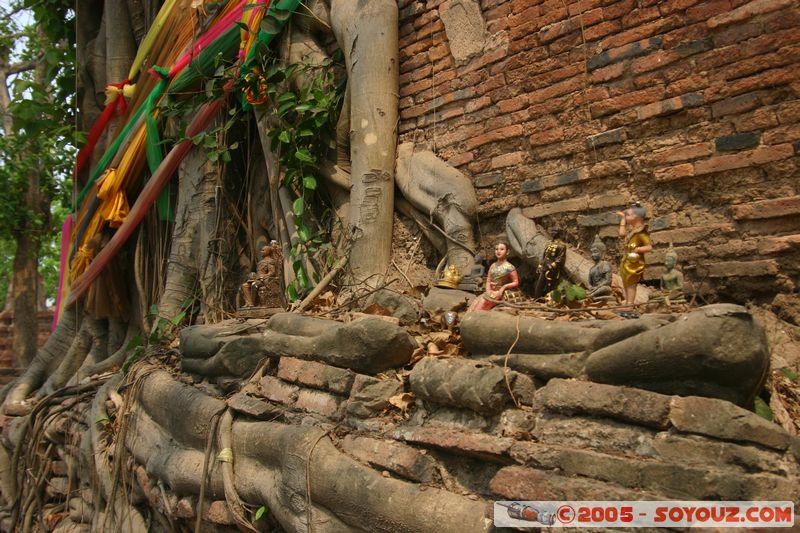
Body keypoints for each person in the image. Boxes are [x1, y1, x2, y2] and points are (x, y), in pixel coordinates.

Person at [615, 203, 652, 310]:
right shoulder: (632, 231)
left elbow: (649, 247)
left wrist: (638, 249)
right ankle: (627, 303)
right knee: (626, 281)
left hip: (635, 263)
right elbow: (622, 234)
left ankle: (630, 304)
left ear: (636, 217)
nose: (626, 217)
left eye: (628, 215)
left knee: (631, 283)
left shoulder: (641, 233)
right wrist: (622, 220)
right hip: (627, 261)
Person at [467, 242, 520, 312]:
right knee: (475, 303)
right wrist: (488, 290)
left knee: (482, 304)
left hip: (499, 293)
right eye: (496, 249)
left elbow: (516, 282)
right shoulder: (493, 265)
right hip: (490, 292)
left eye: (502, 249)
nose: (498, 251)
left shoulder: (509, 267)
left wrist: (504, 287)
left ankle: (476, 318)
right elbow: (488, 280)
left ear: (507, 252)